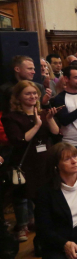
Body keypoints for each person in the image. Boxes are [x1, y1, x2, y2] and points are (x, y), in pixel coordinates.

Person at [1, 80, 61, 241]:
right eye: (28, 93)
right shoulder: (10, 117)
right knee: (23, 195)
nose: (33, 96)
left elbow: (56, 134)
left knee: (44, 197)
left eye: (35, 93)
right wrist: (36, 125)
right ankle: (23, 226)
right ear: (18, 97)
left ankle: (43, 227)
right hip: (25, 161)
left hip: (45, 160)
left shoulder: (43, 112)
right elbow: (19, 140)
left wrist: (49, 119)